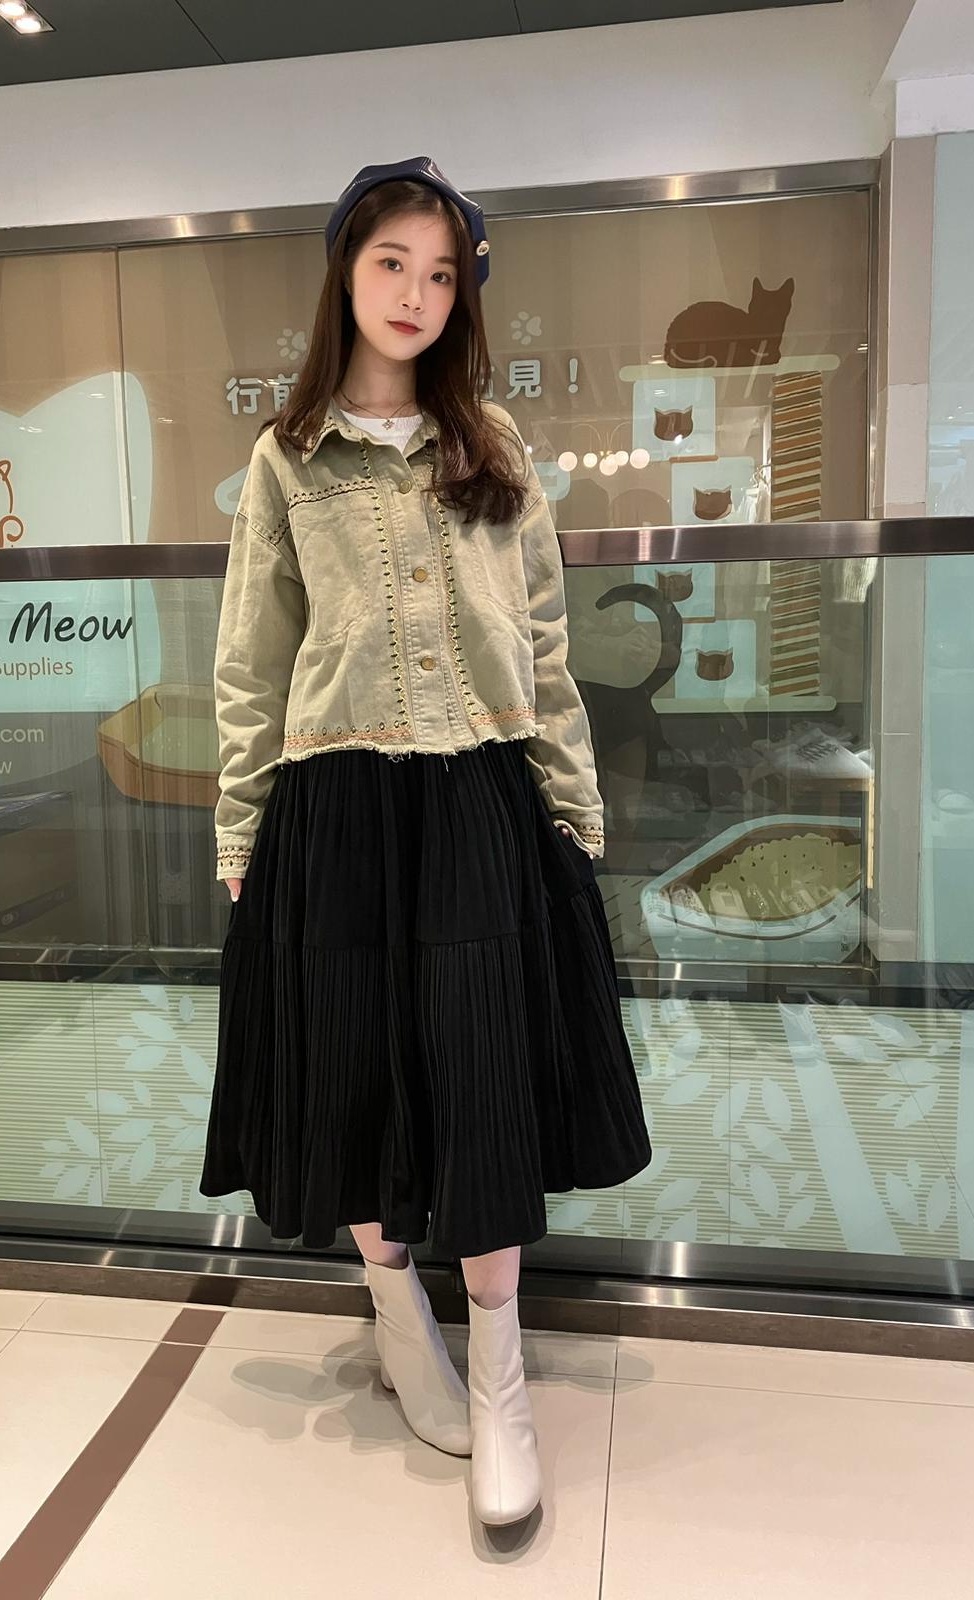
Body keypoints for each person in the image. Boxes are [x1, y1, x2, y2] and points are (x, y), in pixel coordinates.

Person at [200, 156, 652, 1528]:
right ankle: (402, 1326)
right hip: (333, 804)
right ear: (345, 271)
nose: (415, 292)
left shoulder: (492, 445)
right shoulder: (286, 458)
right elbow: (252, 662)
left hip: (477, 798)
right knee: (351, 1068)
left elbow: (548, 646)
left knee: (483, 1073)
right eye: (392, 261)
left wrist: (570, 804)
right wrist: (240, 824)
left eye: (443, 271)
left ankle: (502, 1375)